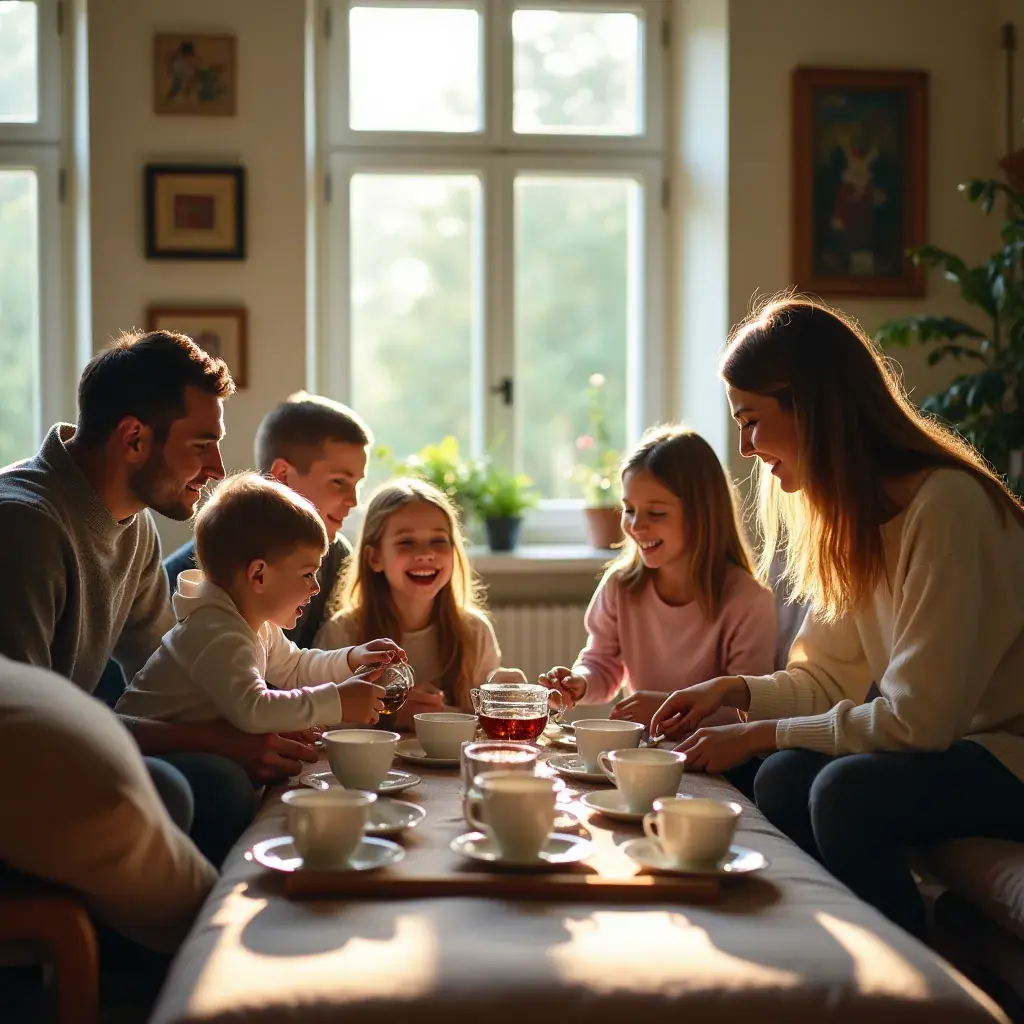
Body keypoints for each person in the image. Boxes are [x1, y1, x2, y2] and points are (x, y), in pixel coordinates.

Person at [650, 297, 1024, 940]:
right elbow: (826, 680)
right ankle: (824, 946)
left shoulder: (946, 506)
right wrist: (730, 692)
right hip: (957, 751)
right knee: (783, 775)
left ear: (813, 407)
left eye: (751, 422)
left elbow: (918, 722)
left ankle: (913, 969)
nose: (744, 447)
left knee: (843, 792)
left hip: (1008, 757)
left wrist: (759, 733)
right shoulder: (856, 519)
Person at [0, 331, 315, 867]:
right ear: (133, 439)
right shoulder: (23, 527)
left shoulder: (135, 527)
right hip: (21, 763)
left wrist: (266, 720)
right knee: (210, 782)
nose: (219, 468)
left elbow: (169, 668)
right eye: (200, 445)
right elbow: (22, 729)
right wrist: (218, 741)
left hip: (64, 740)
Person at [117, 473, 397, 731]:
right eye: (307, 574)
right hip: (138, 752)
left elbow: (296, 667)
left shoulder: (256, 626)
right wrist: (337, 702)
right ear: (259, 575)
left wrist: (353, 658)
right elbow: (255, 710)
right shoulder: (217, 632)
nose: (315, 588)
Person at [540, 425, 776, 730]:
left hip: (717, 753)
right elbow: (601, 663)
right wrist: (579, 683)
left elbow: (747, 709)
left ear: (702, 515)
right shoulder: (621, 586)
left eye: (656, 513)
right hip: (643, 750)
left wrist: (667, 708)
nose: (636, 526)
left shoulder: (748, 601)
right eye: (629, 510)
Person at [165, 391, 371, 649]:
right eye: (339, 482)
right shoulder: (187, 579)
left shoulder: (337, 558)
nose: (353, 500)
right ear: (282, 476)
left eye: (357, 485)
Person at [316, 478, 501, 727]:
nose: (425, 553)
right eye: (406, 542)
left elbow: (485, 724)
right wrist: (388, 717)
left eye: (438, 540)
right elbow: (318, 722)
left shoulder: (475, 632)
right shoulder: (342, 633)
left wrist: (504, 694)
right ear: (374, 558)